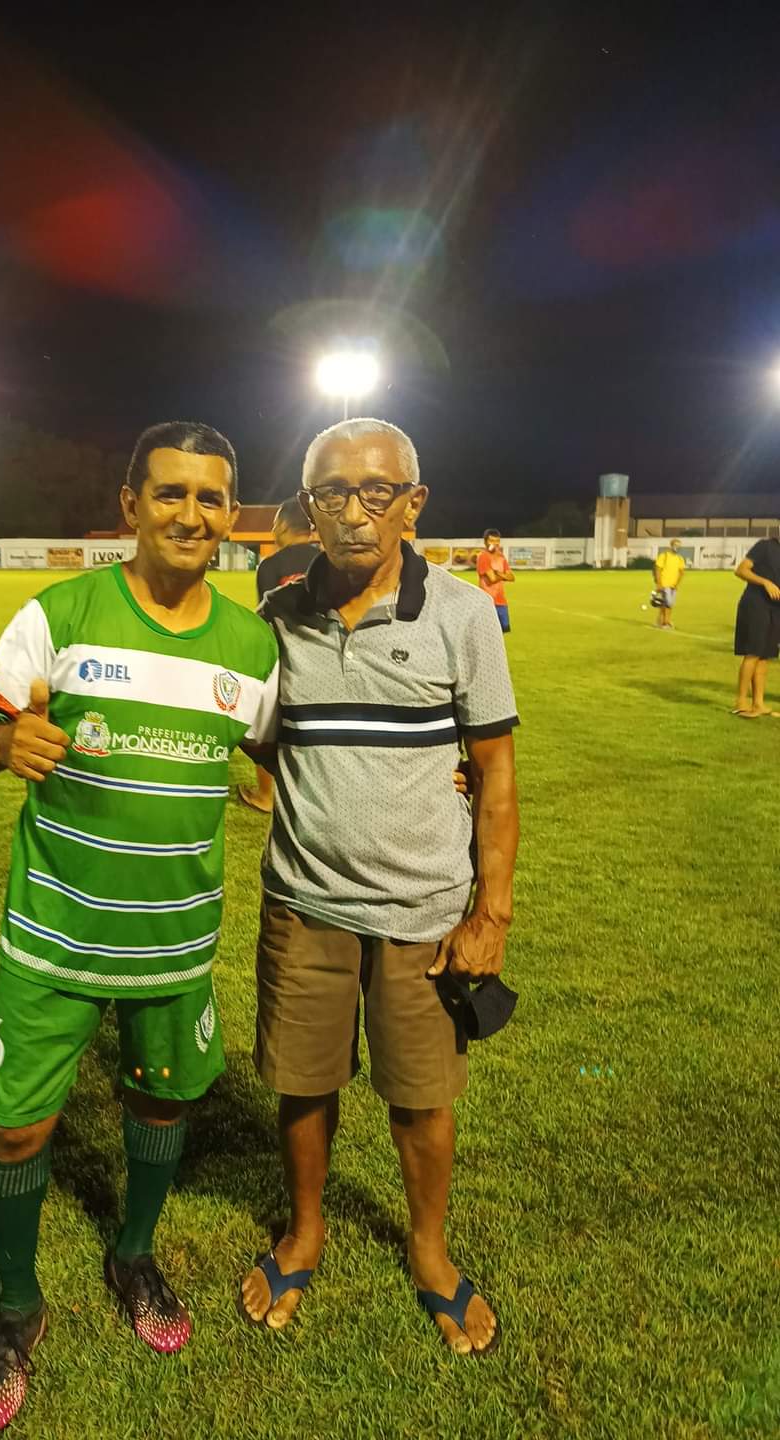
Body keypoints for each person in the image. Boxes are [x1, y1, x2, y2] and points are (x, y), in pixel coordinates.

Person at [0, 422, 278, 1433]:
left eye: (211, 498)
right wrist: (3, 741)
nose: (191, 514)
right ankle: (15, 1306)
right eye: (170, 494)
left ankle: (133, 1252)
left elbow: (275, 761)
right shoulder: (61, 615)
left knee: (163, 1108)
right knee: (16, 1125)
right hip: (54, 937)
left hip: (175, 945)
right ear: (131, 505)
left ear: (233, 517)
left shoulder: (253, 646)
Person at [239, 418, 519, 1359]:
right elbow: (256, 733)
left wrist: (491, 913)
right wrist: (253, 769)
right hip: (304, 902)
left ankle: (430, 1253)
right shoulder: (277, 615)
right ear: (306, 505)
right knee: (303, 1084)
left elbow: (497, 773)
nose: (354, 513)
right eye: (331, 494)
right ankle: (306, 1230)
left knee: (422, 1095)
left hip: (426, 912)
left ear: (413, 501)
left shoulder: (464, 614)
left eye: (376, 492)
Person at [238, 499, 321, 814]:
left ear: (285, 526)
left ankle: (265, 795)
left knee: (269, 720)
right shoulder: (325, 560)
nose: (272, 530)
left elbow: (267, 617)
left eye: (275, 524)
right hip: (326, 656)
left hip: (286, 657)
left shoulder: (270, 566)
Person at [732, 534, 780, 717]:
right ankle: (741, 703)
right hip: (756, 604)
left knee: (765, 655)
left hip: (776, 609)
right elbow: (741, 570)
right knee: (753, 652)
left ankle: (758, 704)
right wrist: (765, 582)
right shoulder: (765, 546)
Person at [476, 529, 514, 632]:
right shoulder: (483, 556)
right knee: (489, 632)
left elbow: (512, 577)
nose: (495, 544)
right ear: (485, 542)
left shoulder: (501, 556)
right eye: (491, 541)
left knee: (504, 630)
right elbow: (492, 579)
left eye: (497, 541)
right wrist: (503, 575)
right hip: (488, 602)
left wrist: (498, 573)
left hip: (501, 601)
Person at [652, 537, 685, 630]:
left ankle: (660, 621)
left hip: (673, 586)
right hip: (664, 583)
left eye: (679, 546)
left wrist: (677, 584)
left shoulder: (680, 559)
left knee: (668, 604)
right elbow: (658, 570)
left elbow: (682, 572)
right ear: (671, 546)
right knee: (668, 603)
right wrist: (659, 583)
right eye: (676, 545)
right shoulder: (664, 556)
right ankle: (665, 622)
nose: (677, 548)